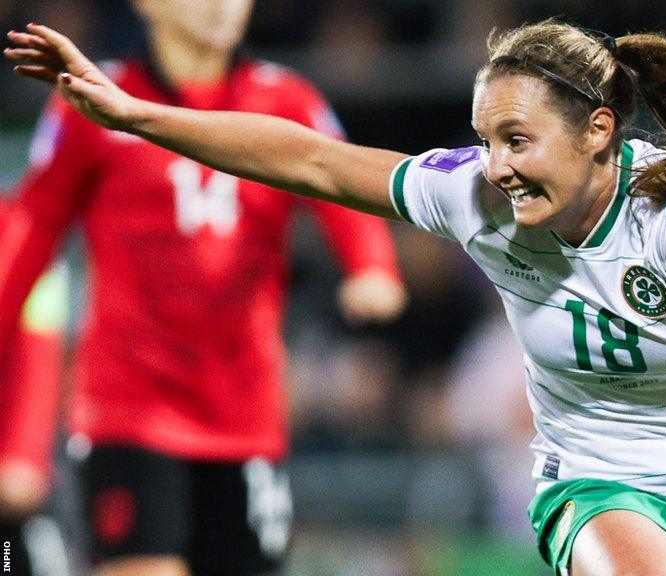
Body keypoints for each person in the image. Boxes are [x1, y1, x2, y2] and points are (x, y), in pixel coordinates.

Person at [6, 19, 666, 576]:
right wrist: (138, 115)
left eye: (516, 141)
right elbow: (307, 160)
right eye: (484, 138)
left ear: (599, 134)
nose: (493, 166)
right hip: (601, 476)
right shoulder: (470, 196)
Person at [0, 3, 406, 575]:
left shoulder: (286, 98)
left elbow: (336, 175)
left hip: (246, 413)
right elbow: (33, 221)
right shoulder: (94, 96)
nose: (221, 6)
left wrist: (372, 267)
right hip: (129, 409)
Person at [0, 205, 71, 576]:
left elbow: (38, 356)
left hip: (13, 481)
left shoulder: (18, 230)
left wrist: (22, 453)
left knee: (12, 557)